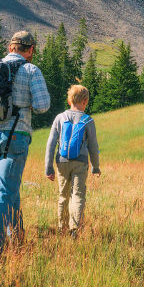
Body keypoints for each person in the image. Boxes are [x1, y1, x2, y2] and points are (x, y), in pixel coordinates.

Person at [0, 30, 50, 258]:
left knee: (10, 187)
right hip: (17, 136)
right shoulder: (31, 70)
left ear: (10, 47)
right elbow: (42, 106)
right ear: (30, 50)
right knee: (5, 191)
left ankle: (17, 237)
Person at [45, 84, 101, 235]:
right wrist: (96, 166)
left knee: (63, 194)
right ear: (85, 101)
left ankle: (61, 226)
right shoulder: (88, 120)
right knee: (77, 195)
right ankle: (74, 229)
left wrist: (48, 167)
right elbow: (93, 146)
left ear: (69, 100)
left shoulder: (60, 118)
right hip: (80, 162)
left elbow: (51, 143)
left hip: (61, 162)